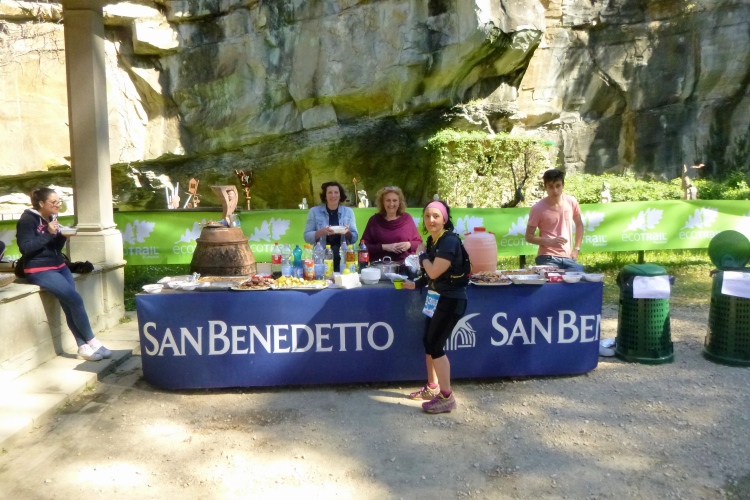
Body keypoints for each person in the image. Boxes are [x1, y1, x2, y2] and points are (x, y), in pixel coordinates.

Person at [16, 188, 111, 361]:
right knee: (75, 300)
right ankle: (93, 342)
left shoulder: (52, 217)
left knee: (69, 305)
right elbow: (25, 248)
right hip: (39, 270)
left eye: (59, 201)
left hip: (60, 266)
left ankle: (82, 347)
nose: (58, 205)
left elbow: (54, 248)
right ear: (41, 203)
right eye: (54, 202)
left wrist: (62, 236)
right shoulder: (27, 220)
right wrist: (48, 233)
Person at [403, 200, 467, 414]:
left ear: (444, 219)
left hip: (450, 299)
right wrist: (416, 284)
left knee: (436, 346)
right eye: (427, 216)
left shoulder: (449, 241)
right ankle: (433, 387)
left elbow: (433, 271)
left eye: (436, 216)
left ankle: (447, 397)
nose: (431, 220)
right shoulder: (433, 240)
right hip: (435, 297)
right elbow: (431, 276)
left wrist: (421, 254)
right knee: (428, 343)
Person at [525, 169, 584, 271]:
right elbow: (528, 236)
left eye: (558, 186)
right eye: (551, 187)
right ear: (545, 187)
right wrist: (550, 241)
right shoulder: (537, 208)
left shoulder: (571, 202)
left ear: (563, 185)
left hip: (569, 257)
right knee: (553, 280)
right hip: (547, 257)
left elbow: (579, 224)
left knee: (582, 278)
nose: (555, 190)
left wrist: (577, 249)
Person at [304, 181, 358, 271]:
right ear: (325, 196)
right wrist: (321, 232)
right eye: (330, 192)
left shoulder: (348, 212)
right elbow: (306, 236)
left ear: (340, 195)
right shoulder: (314, 211)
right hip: (321, 259)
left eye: (336, 192)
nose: (333, 195)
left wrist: (347, 232)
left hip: (343, 259)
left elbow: (354, 238)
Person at [360, 186, 423, 263]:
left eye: (395, 200)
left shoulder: (407, 219)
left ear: (399, 202)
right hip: (379, 266)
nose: (391, 204)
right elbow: (363, 246)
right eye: (388, 200)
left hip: (404, 266)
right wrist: (384, 247)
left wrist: (409, 244)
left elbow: (419, 243)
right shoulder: (374, 221)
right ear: (382, 202)